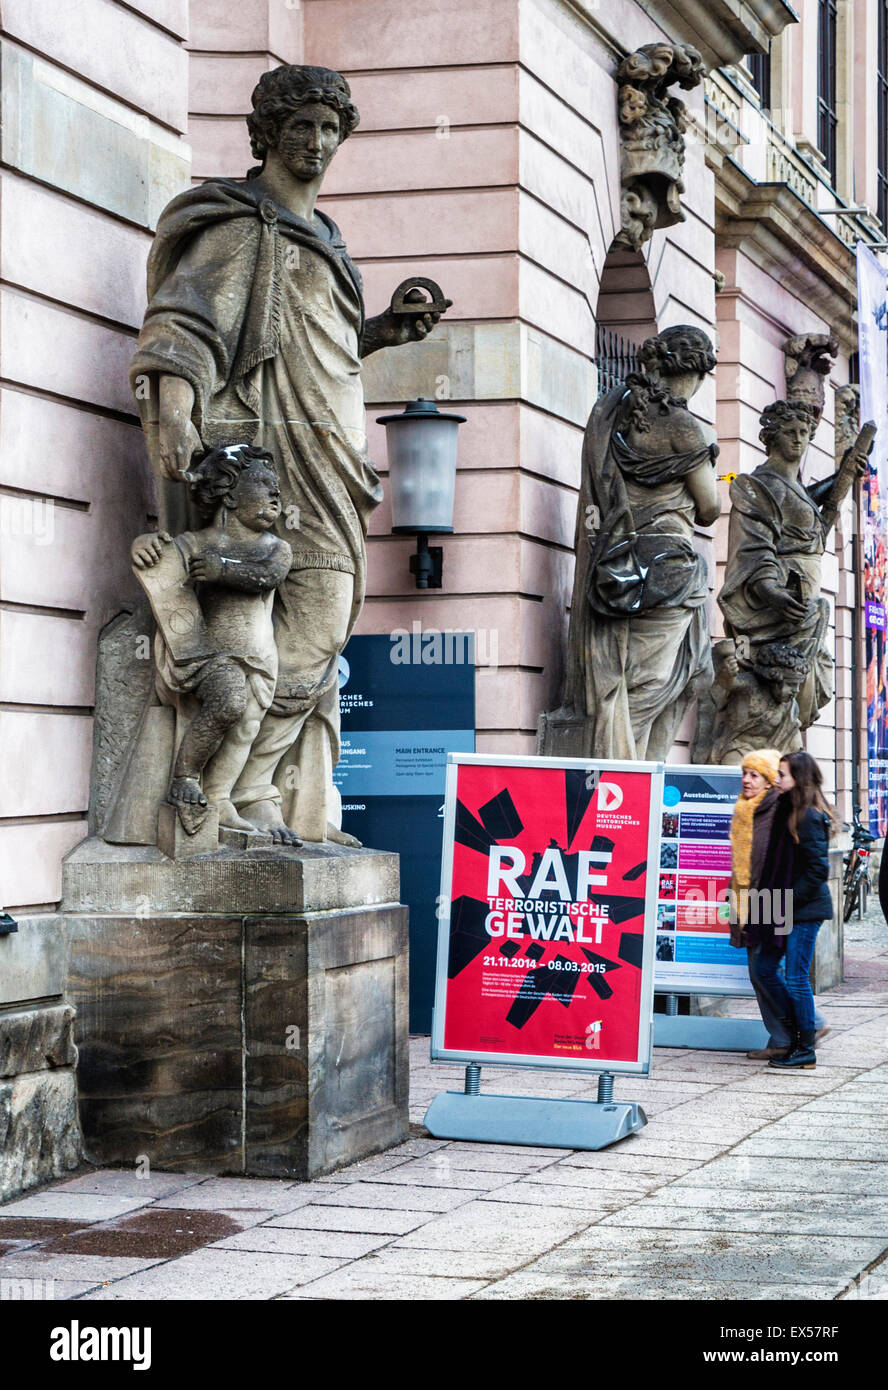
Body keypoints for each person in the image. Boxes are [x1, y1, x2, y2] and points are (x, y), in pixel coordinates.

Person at [131, 64, 448, 844]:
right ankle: (231, 794)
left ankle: (272, 793)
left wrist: (380, 334)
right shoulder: (244, 224)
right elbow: (189, 318)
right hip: (270, 451)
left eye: (329, 129)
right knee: (299, 621)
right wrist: (174, 400)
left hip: (333, 450)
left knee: (325, 623)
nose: (316, 143)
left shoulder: (327, 240)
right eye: (300, 126)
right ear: (267, 134)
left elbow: (321, 341)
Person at [562, 325, 720, 759]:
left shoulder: (612, 412)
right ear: (699, 373)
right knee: (657, 685)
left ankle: (629, 786)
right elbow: (710, 507)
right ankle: (624, 789)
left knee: (633, 680)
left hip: (617, 564)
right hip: (667, 569)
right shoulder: (684, 426)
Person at [132, 445, 293, 838]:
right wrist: (140, 545)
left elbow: (267, 576)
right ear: (230, 493)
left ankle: (220, 798)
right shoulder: (194, 544)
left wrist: (224, 569)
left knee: (245, 727)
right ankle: (185, 778)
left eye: (277, 488)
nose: (276, 495)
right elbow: (162, 570)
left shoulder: (276, 548)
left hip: (258, 657)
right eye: (264, 484)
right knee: (228, 701)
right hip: (204, 654)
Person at [751, 751, 837, 1070]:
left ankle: (804, 1047)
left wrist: (788, 900)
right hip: (783, 905)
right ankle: (794, 1033)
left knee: (797, 977)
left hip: (804, 909)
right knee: (764, 968)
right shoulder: (787, 810)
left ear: (797, 779)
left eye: (783, 775)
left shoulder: (809, 816)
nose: (777, 779)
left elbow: (817, 870)